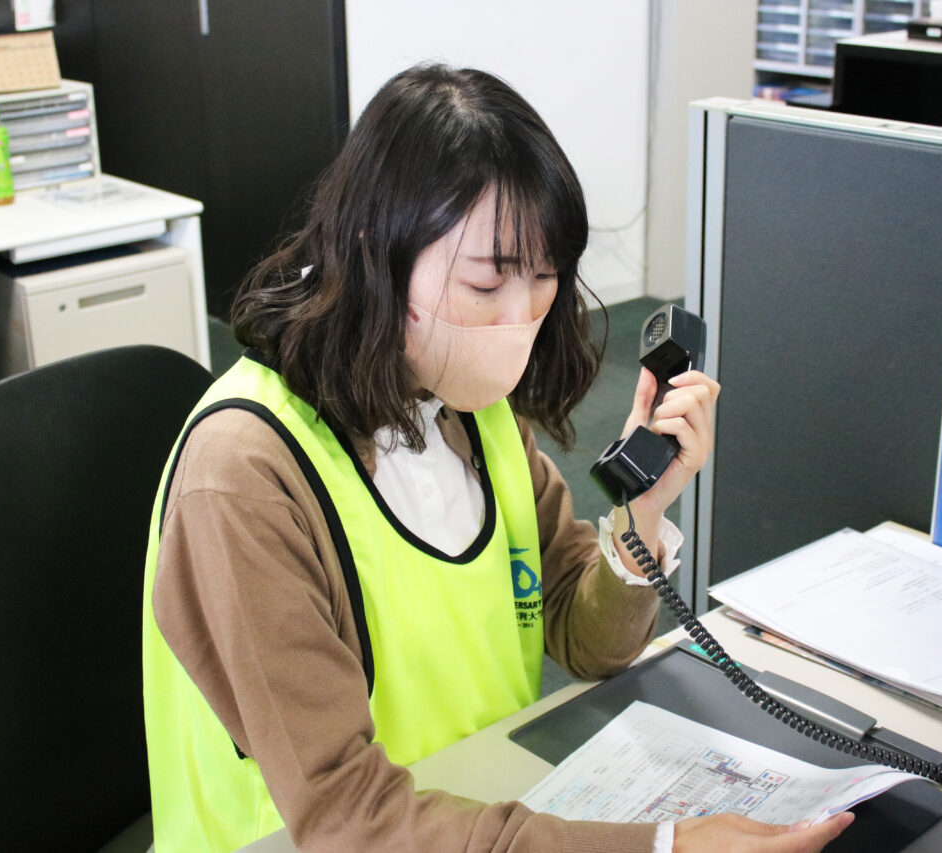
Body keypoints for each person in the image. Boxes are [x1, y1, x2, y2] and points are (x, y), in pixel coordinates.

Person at [141, 63, 854, 853]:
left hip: (480, 818)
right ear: (378, 251)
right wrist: (666, 848)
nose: (520, 321)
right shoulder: (245, 477)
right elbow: (351, 821)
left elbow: (585, 639)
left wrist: (644, 511)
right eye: (487, 284)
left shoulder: (465, 406)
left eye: (545, 279)